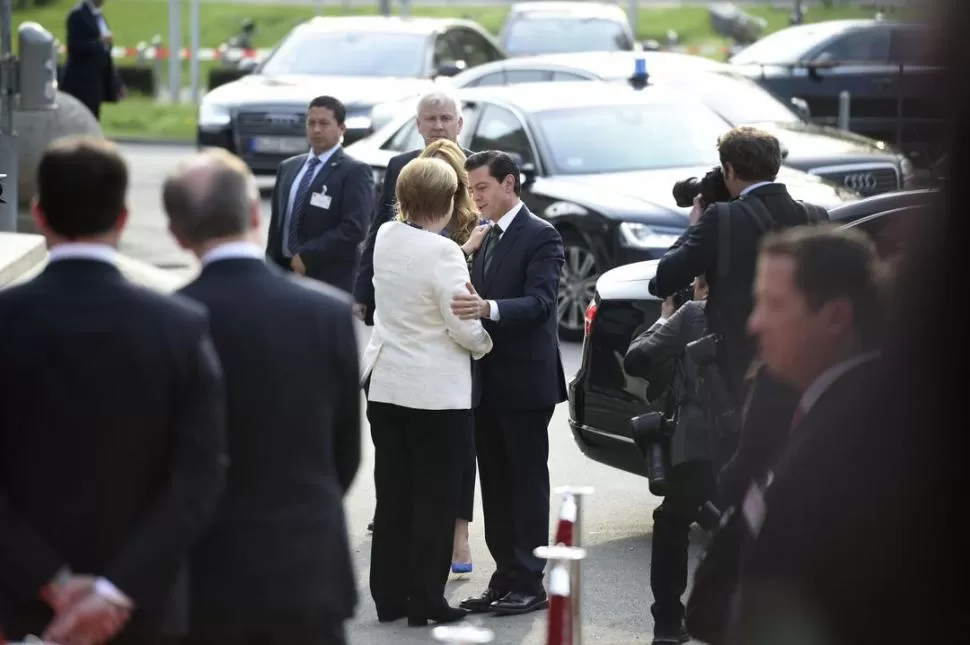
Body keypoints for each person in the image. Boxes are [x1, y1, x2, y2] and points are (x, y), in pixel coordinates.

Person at [0, 136, 227, 645]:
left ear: (38, 214)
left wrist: (50, 581)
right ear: (123, 218)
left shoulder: (5, 321)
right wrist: (115, 590)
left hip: (25, 608)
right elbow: (200, 474)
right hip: (142, 610)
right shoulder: (180, 326)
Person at [161, 149, 361, 645]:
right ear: (255, 215)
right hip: (307, 568)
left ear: (178, 235)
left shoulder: (164, 320)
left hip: (202, 577)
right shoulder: (328, 313)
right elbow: (346, 454)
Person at [729, 225, 885, 645]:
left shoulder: (871, 435)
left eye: (773, 304)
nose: (754, 323)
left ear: (835, 317)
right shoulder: (781, 398)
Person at [361, 157, 493, 627]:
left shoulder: (386, 237)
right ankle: (426, 601)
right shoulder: (445, 254)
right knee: (435, 499)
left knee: (393, 495)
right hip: (436, 396)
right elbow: (463, 324)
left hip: (387, 386)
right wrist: (485, 343)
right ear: (449, 200)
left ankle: (389, 598)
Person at [451, 151, 566, 616]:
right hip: (485, 382)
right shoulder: (481, 236)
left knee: (525, 483)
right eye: (470, 189)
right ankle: (503, 577)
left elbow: (540, 303)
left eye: (480, 188)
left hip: (524, 383)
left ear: (509, 185)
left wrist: (489, 308)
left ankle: (530, 582)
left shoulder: (541, 235)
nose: (474, 198)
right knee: (495, 484)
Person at [648, 127, 827, 413]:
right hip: (804, 366)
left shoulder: (722, 217)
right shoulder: (816, 216)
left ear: (728, 169)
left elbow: (664, 279)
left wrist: (695, 226)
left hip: (736, 371)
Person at [624, 276, 717, 645]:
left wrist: (665, 317)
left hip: (699, 443)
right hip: (755, 435)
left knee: (673, 521)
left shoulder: (694, 314)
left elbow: (637, 358)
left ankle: (667, 621)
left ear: (706, 288)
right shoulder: (764, 306)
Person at [416, 139, 491, 573]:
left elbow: (471, 295)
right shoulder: (406, 226)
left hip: (458, 356)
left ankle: (460, 534)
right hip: (420, 355)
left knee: (462, 452)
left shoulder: (473, 224)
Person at [354, 89, 467, 325]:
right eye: (430, 119)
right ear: (418, 124)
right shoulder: (399, 166)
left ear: (459, 124)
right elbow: (378, 229)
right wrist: (362, 292)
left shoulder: (478, 166)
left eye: (445, 118)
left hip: (459, 282)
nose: (438, 126)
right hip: (407, 286)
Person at [266, 95, 375, 293]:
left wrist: (306, 256)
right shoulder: (288, 168)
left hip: (328, 279)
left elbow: (355, 228)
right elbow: (277, 226)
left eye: (324, 123)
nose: (316, 129)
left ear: (342, 128)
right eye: (311, 123)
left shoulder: (355, 171)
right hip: (283, 274)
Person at [60, 0, 124, 120]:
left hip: (97, 81)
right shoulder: (78, 15)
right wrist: (99, 42)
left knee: (93, 119)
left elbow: (105, 53)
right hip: (81, 82)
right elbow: (74, 46)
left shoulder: (99, 16)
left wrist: (116, 81)